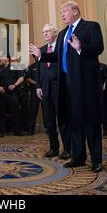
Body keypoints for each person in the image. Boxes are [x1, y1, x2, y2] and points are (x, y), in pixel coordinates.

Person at [30, 1, 104, 172]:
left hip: (84, 83)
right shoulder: (63, 33)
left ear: (75, 11)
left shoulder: (91, 27)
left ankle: (96, 160)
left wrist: (81, 47)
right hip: (66, 83)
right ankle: (78, 157)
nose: (62, 14)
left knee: (90, 122)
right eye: (61, 11)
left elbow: (99, 47)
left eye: (65, 11)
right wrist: (41, 56)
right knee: (73, 121)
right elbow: (56, 56)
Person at [35, 24, 70, 159]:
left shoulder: (61, 48)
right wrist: (38, 86)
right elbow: (38, 70)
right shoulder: (42, 50)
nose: (44, 34)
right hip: (45, 90)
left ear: (55, 33)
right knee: (49, 122)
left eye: (47, 31)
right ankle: (53, 148)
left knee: (63, 120)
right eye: (43, 32)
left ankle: (67, 149)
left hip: (60, 89)